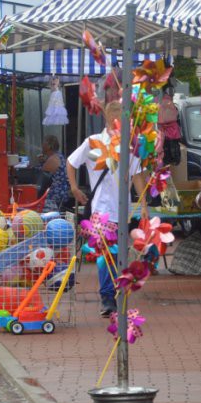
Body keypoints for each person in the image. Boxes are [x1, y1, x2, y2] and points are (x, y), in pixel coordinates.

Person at [66, 101, 145, 317]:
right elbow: (72, 162)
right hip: (101, 209)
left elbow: (137, 175)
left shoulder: (131, 145)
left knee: (119, 254)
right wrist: (74, 187)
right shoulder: (94, 143)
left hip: (123, 209)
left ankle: (115, 293)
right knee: (105, 254)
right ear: (110, 120)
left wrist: (144, 205)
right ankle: (107, 297)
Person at [38, 135, 70, 212]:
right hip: (61, 192)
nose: (42, 146)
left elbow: (41, 174)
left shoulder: (53, 159)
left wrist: (40, 163)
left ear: (49, 146)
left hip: (54, 195)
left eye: (44, 143)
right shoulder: (58, 156)